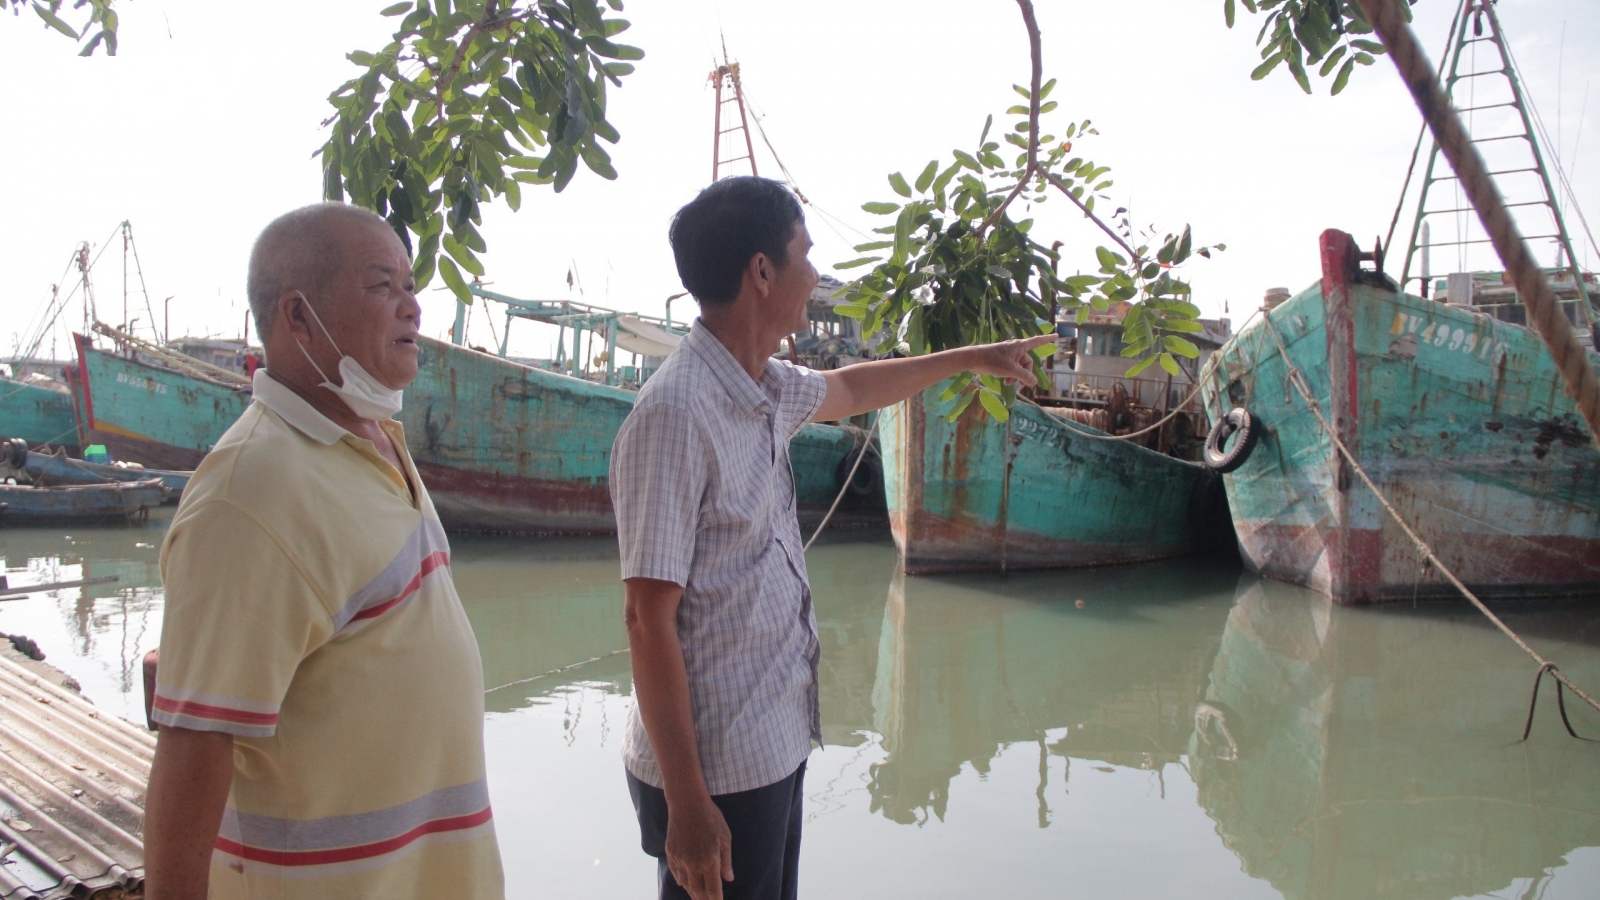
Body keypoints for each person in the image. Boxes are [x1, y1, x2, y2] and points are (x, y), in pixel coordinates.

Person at [611, 176, 1053, 900]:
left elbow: (852, 389)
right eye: (805, 256)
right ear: (762, 273)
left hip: (772, 739)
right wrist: (689, 805)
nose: (815, 277)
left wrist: (974, 358)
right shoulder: (675, 414)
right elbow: (645, 618)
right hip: (715, 770)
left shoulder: (761, 386)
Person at [142, 203, 504, 900]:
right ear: (297, 317)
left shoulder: (372, 435)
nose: (412, 308)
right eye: (382, 287)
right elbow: (194, 746)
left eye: (409, 284)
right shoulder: (251, 491)